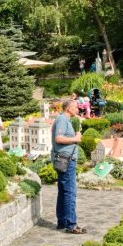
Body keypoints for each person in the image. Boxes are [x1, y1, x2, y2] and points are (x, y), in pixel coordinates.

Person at [52, 99, 86, 234]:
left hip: (65, 159)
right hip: (66, 160)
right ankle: (71, 225)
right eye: (76, 107)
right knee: (70, 192)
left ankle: (62, 221)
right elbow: (58, 138)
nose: (78, 109)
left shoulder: (66, 120)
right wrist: (76, 138)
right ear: (69, 108)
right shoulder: (62, 120)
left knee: (63, 190)